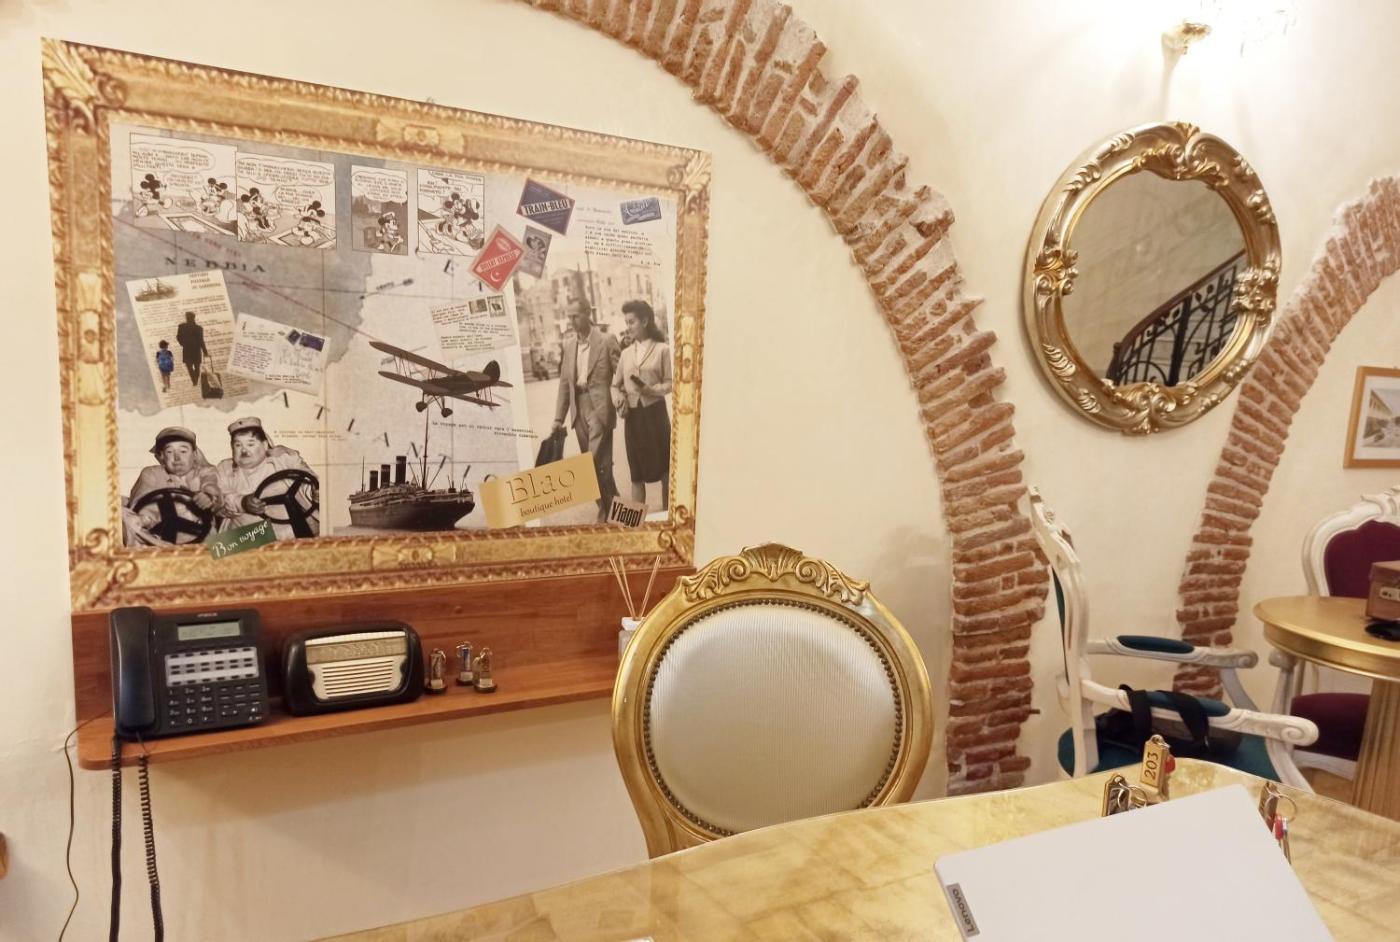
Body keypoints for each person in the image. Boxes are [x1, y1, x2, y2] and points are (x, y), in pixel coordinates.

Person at [553, 298, 620, 521]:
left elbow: (620, 374)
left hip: (600, 408)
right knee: (596, 465)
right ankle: (618, 507)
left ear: (587, 313)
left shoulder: (607, 340)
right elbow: (565, 384)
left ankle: (604, 511)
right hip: (578, 408)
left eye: (575, 316)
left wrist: (622, 399)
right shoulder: (569, 345)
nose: (571, 321)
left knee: (593, 461)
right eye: (569, 316)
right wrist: (558, 418)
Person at [215, 416, 319, 539]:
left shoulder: (284, 460)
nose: (243, 450)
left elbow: (308, 482)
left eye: (250, 444)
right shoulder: (224, 469)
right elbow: (218, 499)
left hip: (290, 531)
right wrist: (243, 502)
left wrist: (314, 493)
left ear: (264, 445)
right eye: (238, 445)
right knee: (219, 546)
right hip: (243, 537)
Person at [612, 300, 672, 508]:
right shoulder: (625, 354)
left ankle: (669, 515)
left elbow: (671, 383)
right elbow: (615, 385)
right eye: (626, 323)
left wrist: (652, 390)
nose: (628, 327)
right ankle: (633, 524)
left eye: (632, 322)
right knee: (636, 474)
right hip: (633, 419)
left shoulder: (663, 350)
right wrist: (618, 398)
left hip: (656, 416)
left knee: (666, 471)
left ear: (645, 321)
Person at [124, 427, 220, 545]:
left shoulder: (206, 472)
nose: (177, 458)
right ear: (162, 456)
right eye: (169, 452)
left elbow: (211, 485)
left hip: (204, 540)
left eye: (183, 451)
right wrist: (145, 519)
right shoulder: (152, 473)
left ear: (194, 454)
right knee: (123, 517)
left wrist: (208, 496)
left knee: (237, 540)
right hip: (157, 536)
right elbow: (140, 503)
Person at [175, 311, 209, 387]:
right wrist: (205, 352)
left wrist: (183, 343)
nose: (187, 318)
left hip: (188, 349)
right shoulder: (198, 328)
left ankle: (195, 382)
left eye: (187, 317)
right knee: (195, 367)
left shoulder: (182, 326)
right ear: (194, 318)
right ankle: (195, 381)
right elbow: (201, 341)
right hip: (195, 349)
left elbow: (178, 337)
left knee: (191, 367)